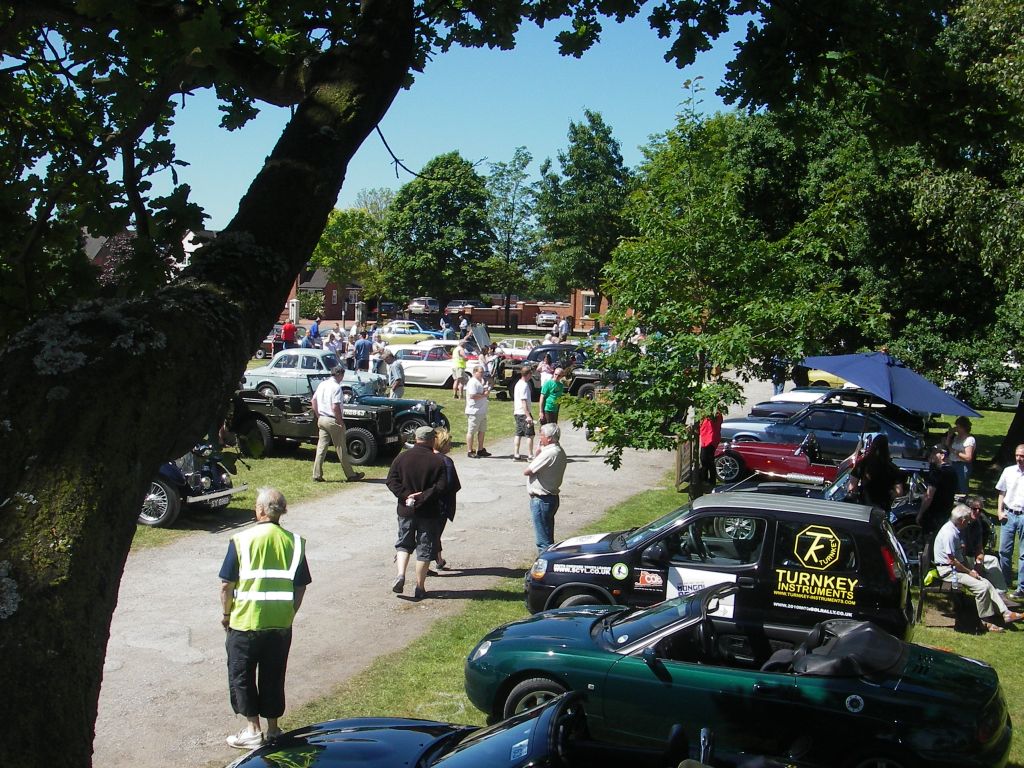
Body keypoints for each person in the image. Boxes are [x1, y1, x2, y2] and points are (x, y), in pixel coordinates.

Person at [220, 487, 311, 748]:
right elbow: (301, 585)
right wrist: (290, 612)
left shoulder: (241, 540)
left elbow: (226, 584)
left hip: (245, 622)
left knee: (242, 675)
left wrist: (226, 614)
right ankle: (273, 729)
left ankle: (252, 730)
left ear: (259, 510)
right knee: (274, 675)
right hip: (280, 624)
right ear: (283, 511)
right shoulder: (295, 542)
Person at [933, 504, 1023, 632]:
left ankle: (1005, 613)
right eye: (967, 520)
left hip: (955, 569)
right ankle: (985, 622)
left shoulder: (953, 529)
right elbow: (952, 561)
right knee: (981, 588)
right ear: (962, 520)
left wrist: (972, 571)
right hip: (948, 571)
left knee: (986, 582)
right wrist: (970, 572)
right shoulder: (949, 534)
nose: (968, 523)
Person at [386, 426, 448, 600]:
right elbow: (441, 487)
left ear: (416, 438)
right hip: (428, 512)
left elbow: (391, 481)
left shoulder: (402, 458)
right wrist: (423, 496)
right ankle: (420, 587)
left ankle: (400, 574)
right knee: (425, 549)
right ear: (431, 440)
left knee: (404, 544)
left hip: (406, 510)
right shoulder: (437, 461)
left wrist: (406, 495)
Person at [310, 365, 364, 483]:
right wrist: (340, 421)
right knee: (341, 448)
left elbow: (313, 401)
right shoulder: (336, 387)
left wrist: (318, 415)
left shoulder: (322, 384)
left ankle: (316, 474)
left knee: (321, 448)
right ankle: (350, 474)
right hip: (332, 419)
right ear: (339, 374)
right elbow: (335, 406)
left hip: (322, 418)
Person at [524, 423, 568, 553]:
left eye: (542, 435)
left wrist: (537, 453)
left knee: (543, 542)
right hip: (550, 498)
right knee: (547, 537)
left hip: (542, 499)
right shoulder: (559, 450)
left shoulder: (549, 453)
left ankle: (544, 570)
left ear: (549, 438)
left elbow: (528, 471)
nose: (539, 437)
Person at [847, 434, 904, 511]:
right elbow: (899, 492)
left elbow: (852, 487)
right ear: (886, 448)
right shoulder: (892, 468)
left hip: (864, 507)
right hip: (883, 508)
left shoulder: (863, 464)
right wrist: (890, 494)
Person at [432, 427, 461, 570]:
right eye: (448, 442)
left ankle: (438, 559)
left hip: (424, 502)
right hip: (441, 504)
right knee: (435, 533)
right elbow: (452, 484)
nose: (450, 445)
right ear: (442, 444)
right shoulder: (446, 461)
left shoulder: (426, 457)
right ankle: (432, 561)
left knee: (432, 533)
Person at [996, 444, 1024, 596]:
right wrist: (999, 511)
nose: (1019, 459)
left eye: (1022, 456)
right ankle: (1004, 583)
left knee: (1023, 554)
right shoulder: (1008, 471)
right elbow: (1001, 492)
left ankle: (1022, 588)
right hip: (1008, 514)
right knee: (1004, 551)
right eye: (1017, 455)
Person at [915, 446, 957, 543]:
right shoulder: (953, 471)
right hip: (946, 511)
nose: (931, 456)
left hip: (934, 513)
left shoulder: (937, 472)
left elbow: (929, 496)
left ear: (942, 456)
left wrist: (920, 513)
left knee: (928, 543)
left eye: (934, 453)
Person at [963, 495, 1006, 591]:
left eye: (980, 510)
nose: (977, 512)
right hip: (962, 559)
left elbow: (980, 547)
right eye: (974, 509)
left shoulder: (978, 523)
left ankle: (1001, 593)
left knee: (993, 560)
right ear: (967, 509)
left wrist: (979, 561)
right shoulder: (961, 523)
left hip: (972, 557)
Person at [464, 364, 491, 458]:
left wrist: (486, 390)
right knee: (471, 431)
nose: (482, 374)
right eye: (481, 372)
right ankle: (470, 450)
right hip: (474, 411)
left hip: (482, 410)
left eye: (483, 372)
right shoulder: (472, 382)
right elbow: (472, 396)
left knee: (482, 430)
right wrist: (484, 395)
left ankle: (480, 449)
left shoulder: (481, 381)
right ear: (475, 372)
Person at [945, 416, 977, 494]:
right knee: (951, 486)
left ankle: (964, 503)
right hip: (952, 463)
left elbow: (968, 457)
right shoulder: (956, 437)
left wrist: (956, 452)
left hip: (962, 466)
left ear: (964, 428)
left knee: (961, 487)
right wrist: (949, 436)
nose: (956, 428)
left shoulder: (969, 440)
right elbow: (948, 446)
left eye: (958, 427)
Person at [512, 365, 536, 461]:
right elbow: (523, 401)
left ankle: (516, 454)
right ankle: (530, 455)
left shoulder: (518, 383)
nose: (531, 376)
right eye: (531, 374)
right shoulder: (524, 385)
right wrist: (528, 416)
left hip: (518, 412)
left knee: (518, 433)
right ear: (528, 374)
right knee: (530, 434)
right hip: (523, 413)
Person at [698, 411, 724, 489]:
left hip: (711, 439)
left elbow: (716, 422)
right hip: (706, 439)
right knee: (705, 460)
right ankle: (706, 479)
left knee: (707, 460)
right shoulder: (705, 414)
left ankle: (710, 480)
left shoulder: (715, 414)